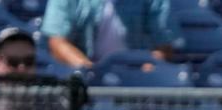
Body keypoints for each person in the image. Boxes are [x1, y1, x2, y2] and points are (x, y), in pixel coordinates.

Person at [41, 0, 173, 69]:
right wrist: (91, 70)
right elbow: (57, 42)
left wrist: (151, 65)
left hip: (136, 81)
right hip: (87, 82)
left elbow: (164, 46)